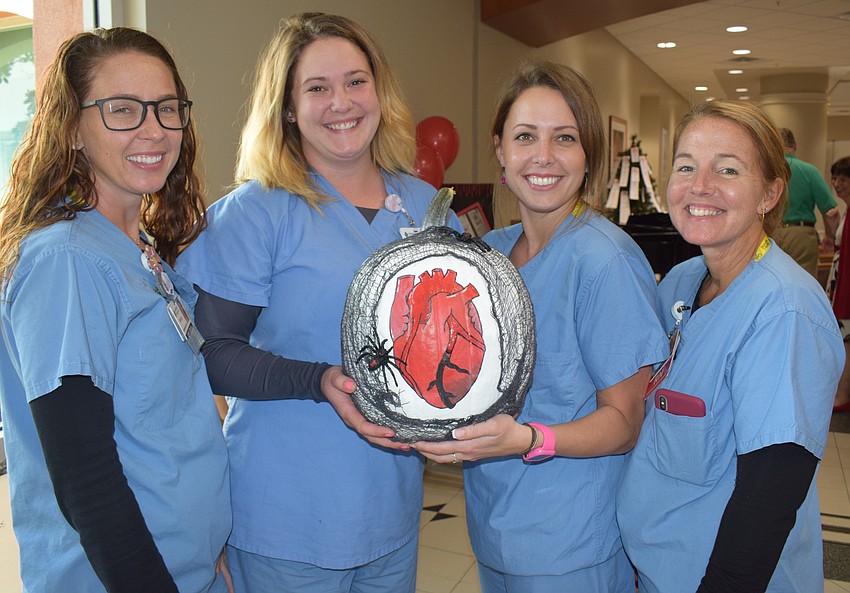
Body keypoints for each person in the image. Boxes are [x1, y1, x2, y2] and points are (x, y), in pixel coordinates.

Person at [176, 12, 462, 593]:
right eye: (317, 88)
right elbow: (211, 354)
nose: (342, 102)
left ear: (379, 91)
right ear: (287, 107)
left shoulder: (426, 205)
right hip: (286, 517)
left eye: (357, 81)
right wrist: (318, 379)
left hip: (392, 508)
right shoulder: (258, 212)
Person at [412, 61, 668, 592]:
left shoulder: (604, 262)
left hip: (573, 544)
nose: (543, 156)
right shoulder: (489, 256)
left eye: (565, 138)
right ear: (500, 150)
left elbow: (624, 422)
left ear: (587, 154)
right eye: (525, 136)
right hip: (494, 523)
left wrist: (528, 438)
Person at [0, 28, 232, 593]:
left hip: (185, 568)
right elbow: (85, 480)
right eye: (122, 110)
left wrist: (209, 550)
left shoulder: (135, 246)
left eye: (166, 108)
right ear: (73, 129)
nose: (153, 129)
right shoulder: (67, 261)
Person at [617, 100, 844, 593]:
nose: (700, 186)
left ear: (770, 192)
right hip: (656, 568)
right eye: (686, 166)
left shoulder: (784, 312)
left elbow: (770, 494)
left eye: (727, 169)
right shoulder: (682, 282)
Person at [771, 127, 839, 279]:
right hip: (801, 235)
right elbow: (830, 211)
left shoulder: (767, 172)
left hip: (770, 233)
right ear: (795, 146)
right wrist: (829, 236)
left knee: (771, 279)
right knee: (804, 281)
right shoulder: (809, 171)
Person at [827, 156, 850, 411]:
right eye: (835, 178)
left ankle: (843, 394)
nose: (837, 184)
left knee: (846, 338)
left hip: (846, 286)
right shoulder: (846, 211)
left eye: (843, 179)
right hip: (840, 281)